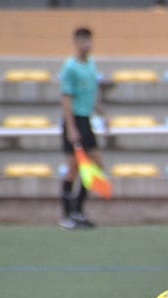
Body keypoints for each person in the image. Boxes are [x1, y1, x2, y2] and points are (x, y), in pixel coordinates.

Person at [59, 26, 108, 230]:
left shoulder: (91, 65)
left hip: (86, 120)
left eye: (89, 40)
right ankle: (66, 215)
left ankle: (78, 210)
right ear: (76, 42)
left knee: (95, 165)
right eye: (83, 41)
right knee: (73, 168)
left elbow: (89, 93)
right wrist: (71, 127)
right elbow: (66, 99)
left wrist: (101, 113)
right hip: (75, 121)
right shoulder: (70, 67)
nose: (87, 44)